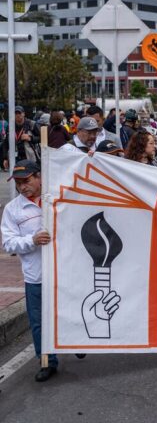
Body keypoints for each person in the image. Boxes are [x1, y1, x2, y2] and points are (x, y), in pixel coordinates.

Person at [1, 160, 59, 381]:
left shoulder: (56, 197)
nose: (22, 187)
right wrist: (32, 240)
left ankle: (74, 342)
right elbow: (9, 244)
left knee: (69, 312)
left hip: (64, 271)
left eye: (26, 181)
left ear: (39, 177)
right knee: (39, 322)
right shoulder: (12, 209)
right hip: (36, 275)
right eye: (18, 183)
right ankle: (47, 361)